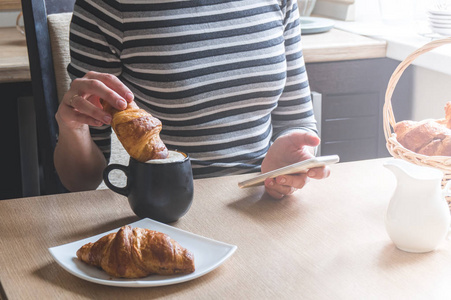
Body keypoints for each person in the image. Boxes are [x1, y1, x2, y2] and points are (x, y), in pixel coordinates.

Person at [54, 0, 330, 199]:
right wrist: (73, 129)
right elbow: (82, 181)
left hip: (262, 201)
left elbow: (298, 120)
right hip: (172, 209)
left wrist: (291, 167)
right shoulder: (107, 7)